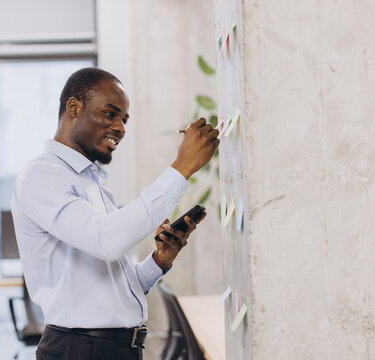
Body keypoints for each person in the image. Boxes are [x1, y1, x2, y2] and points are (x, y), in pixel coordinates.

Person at [11, 67, 219, 360]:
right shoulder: (44, 175)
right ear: (74, 107)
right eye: (110, 114)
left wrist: (158, 262)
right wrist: (182, 168)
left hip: (115, 349)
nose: (121, 128)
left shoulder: (93, 182)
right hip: (80, 351)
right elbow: (105, 241)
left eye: (124, 119)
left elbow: (117, 286)